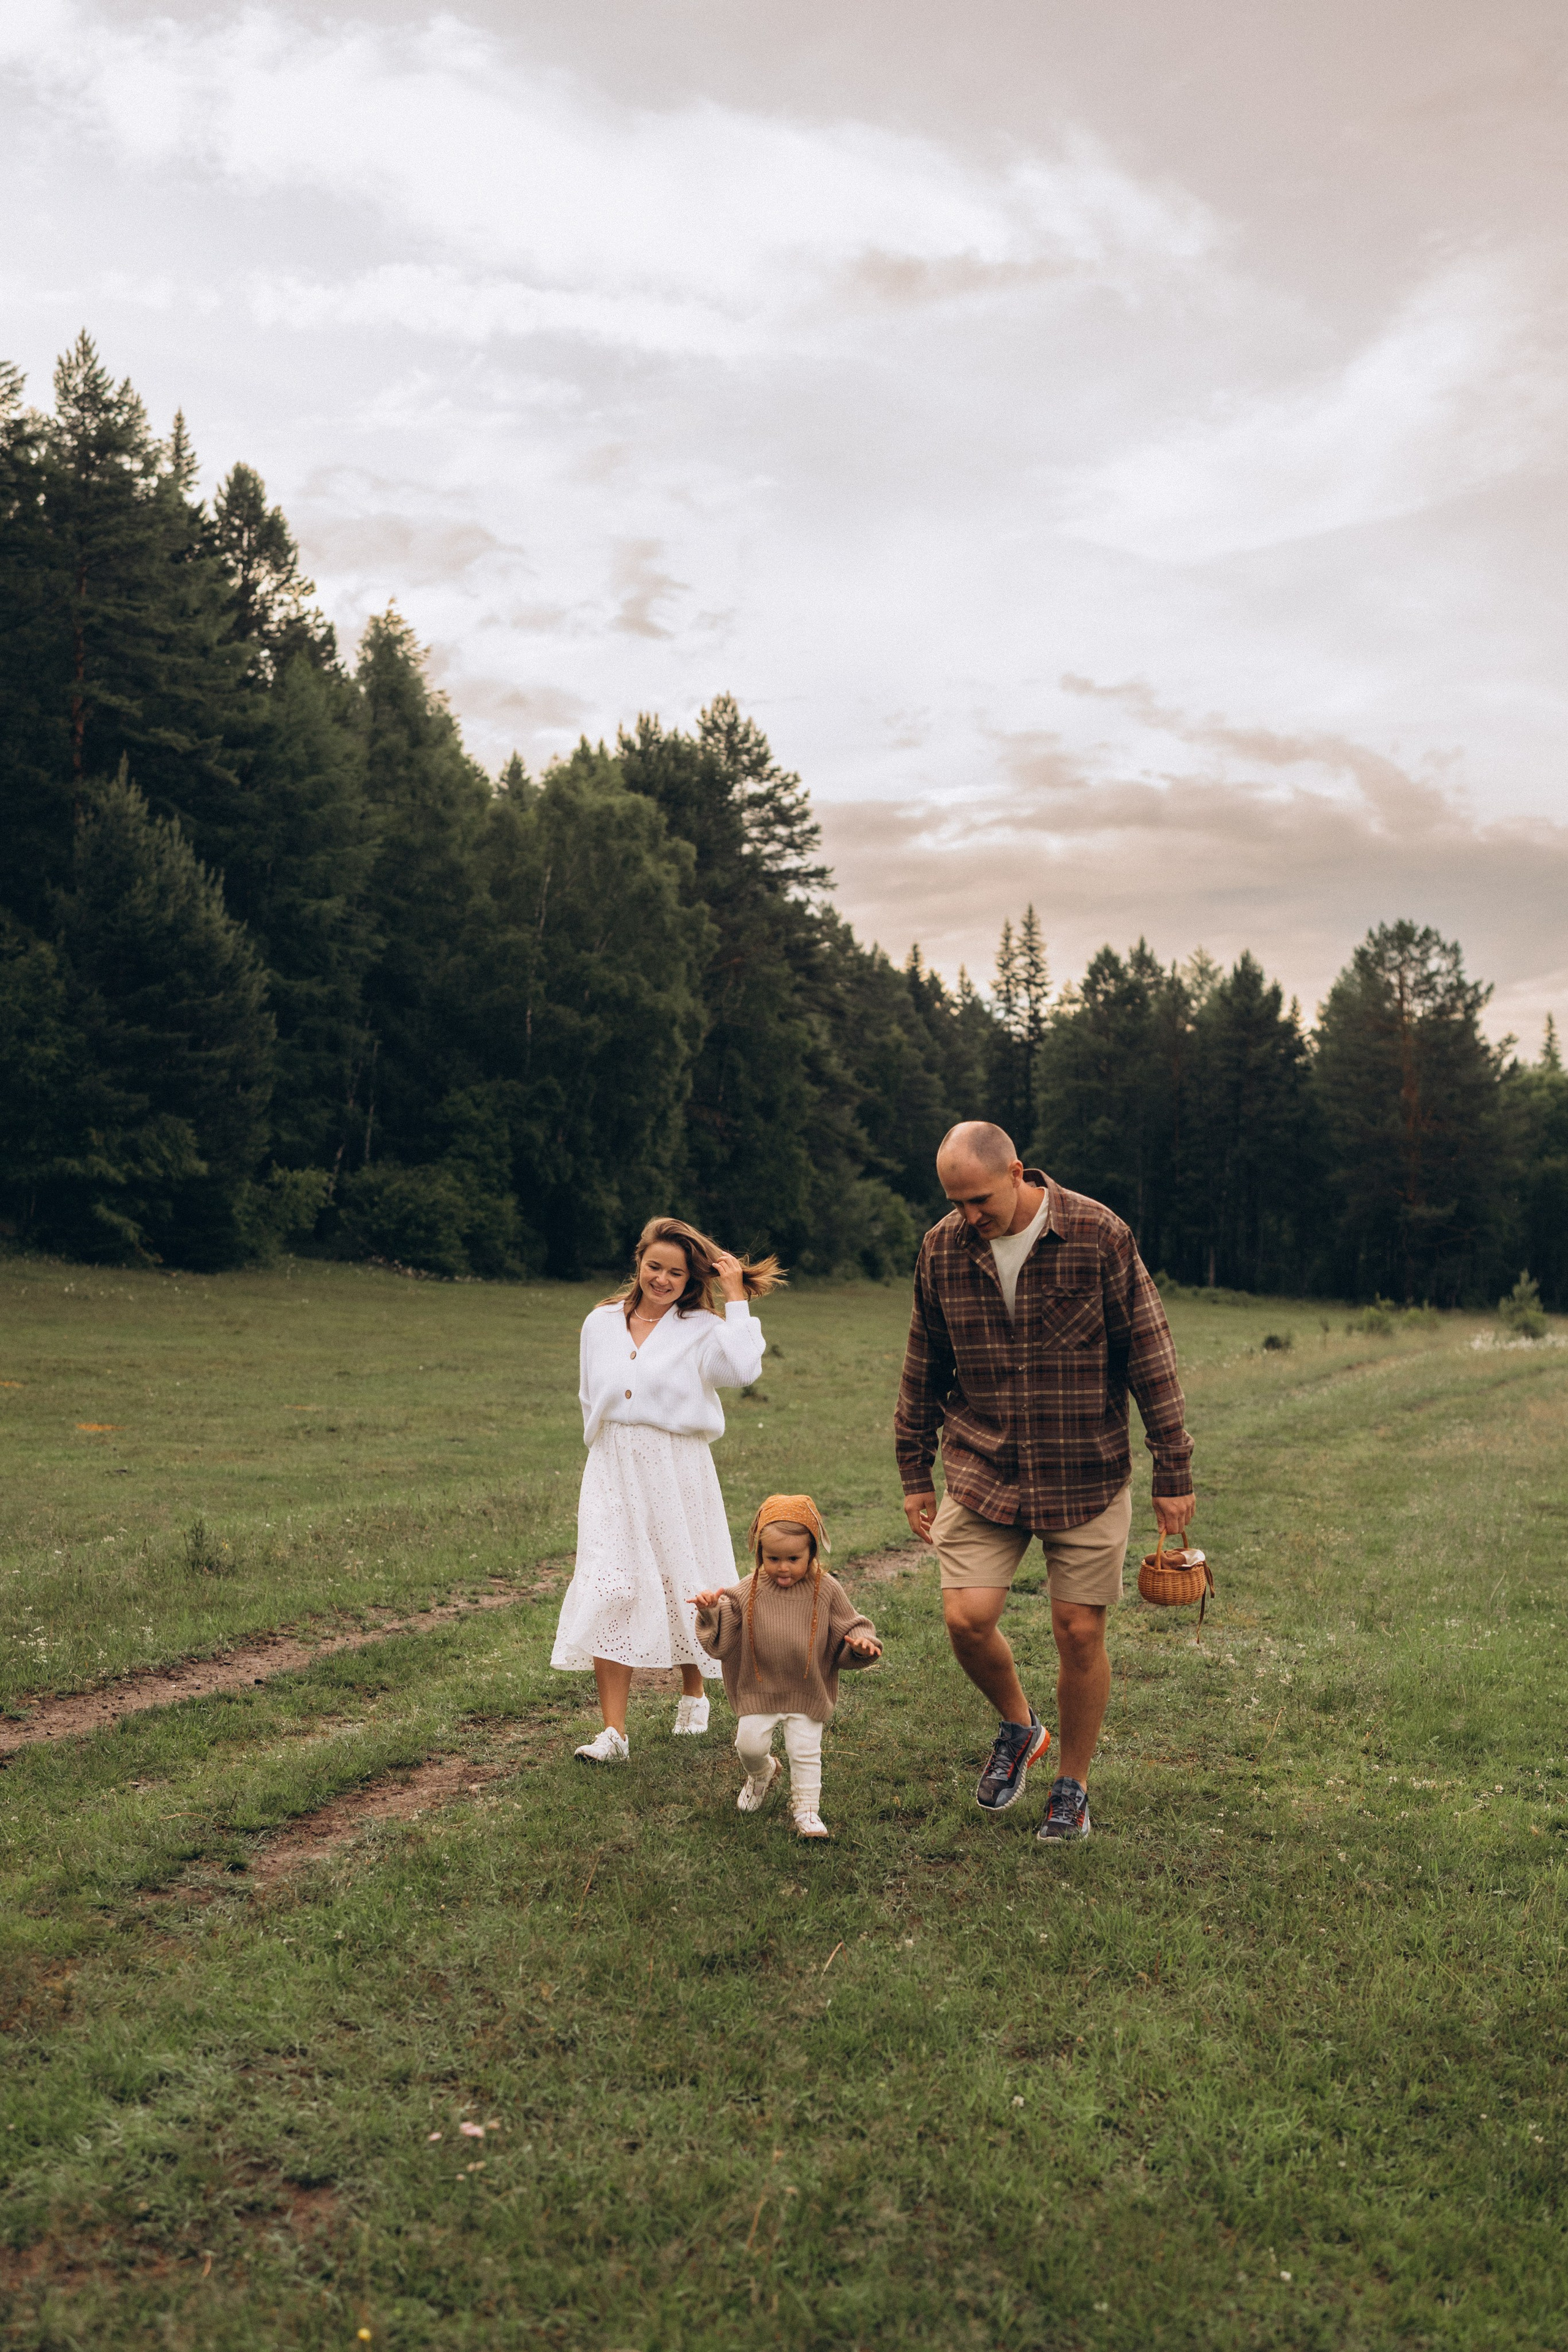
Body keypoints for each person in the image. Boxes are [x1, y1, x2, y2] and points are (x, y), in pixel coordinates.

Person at [895, 1121, 1195, 1842]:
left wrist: (1172, 1467)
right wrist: (914, 1468)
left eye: (978, 1199)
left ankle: (1072, 1786)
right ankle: (1021, 1728)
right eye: (955, 1202)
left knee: (1079, 1631)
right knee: (966, 1620)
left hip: (1084, 1468)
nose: (969, 1216)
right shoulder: (941, 1248)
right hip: (983, 1463)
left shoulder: (1097, 1234)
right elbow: (924, 1362)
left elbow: (1147, 1352)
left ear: (1017, 1173)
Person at [552, 1216, 782, 1763]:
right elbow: (591, 1395)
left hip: (677, 1466)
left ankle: (693, 1691)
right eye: (654, 1266)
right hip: (611, 1466)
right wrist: (609, 1451)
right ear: (638, 1261)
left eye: (675, 1273)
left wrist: (734, 1299)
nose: (662, 1279)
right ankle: (614, 1734)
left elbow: (744, 1370)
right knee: (614, 1585)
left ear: (690, 1278)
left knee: (684, 1579)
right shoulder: (600, 1323)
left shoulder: (702, 1327)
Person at [691, 1494, 881, 1840]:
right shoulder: (746, 1592)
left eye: (794, 1558)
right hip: (758, 1688)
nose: (783, 1567)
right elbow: (723, 1637)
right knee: (748, 1746)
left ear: (812, 1554)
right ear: (759, 1554)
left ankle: (807, 1811)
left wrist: (862, 1643)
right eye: (772, 1558)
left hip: (807, 1689)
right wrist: (710, 1611)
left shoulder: (826, 1590)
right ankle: (763, 1773)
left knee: (805, 1752)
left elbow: (852, 1624)